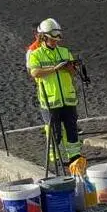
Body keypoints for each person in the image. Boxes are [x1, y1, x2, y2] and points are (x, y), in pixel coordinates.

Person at [28, 18, 82, 163]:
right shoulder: (36, 54)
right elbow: (34, 73)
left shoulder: (64, 51)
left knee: (72, 130)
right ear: (44, 37)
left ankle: (74, 156)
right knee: (55, 132)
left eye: (56, 39)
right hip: (50, 100)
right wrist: (55, 69)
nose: (55, 42)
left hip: (68, 98)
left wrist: (71, 68)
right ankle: (55, 158)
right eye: (51, 39)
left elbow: (73, 74)